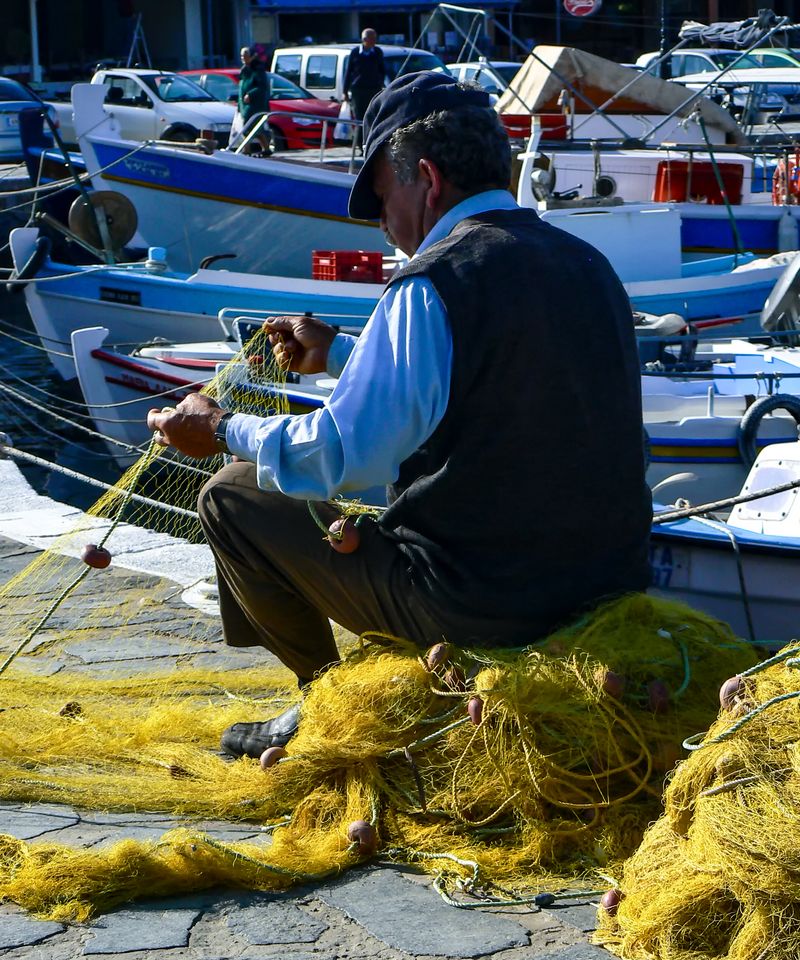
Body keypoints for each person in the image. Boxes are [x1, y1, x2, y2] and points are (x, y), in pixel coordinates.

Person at [147, 72, 652, 760]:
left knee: (231, 494)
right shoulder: (588, 265)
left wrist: (220, 428)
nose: (381, 221)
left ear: (427, 180)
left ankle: (328, 704)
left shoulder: (435, 280)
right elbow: (497, 383)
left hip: (482, 606)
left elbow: (343, 456)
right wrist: (343, 355)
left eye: (383, 196)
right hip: (604, 588)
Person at [343, 28, 386, 150]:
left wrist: (381, 84)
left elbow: (382, 70)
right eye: (371, 39)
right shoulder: (356, 53)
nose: (374, 41)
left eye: (375, 39)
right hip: (358, 90)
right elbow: (349, 72)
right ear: (364, 40)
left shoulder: (377, 52)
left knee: (373, 117)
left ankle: (372, 143)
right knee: (359, 118)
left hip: (373, 88)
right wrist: (345, 91)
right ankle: (360, 145)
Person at [234, 46, 270, 155]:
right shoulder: (244, 69)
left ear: (252, 56)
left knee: (249, 127)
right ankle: (266, 149)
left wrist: (250, 94)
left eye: (246, 56)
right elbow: (242, 85)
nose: (243, 58)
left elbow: (262, 87)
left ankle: (246, 150)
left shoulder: (258, 69)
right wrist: (239, 105)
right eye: (242, 56)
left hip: (255, 105)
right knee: (254, 128)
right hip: (244, 105)